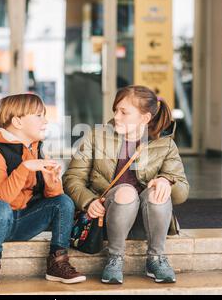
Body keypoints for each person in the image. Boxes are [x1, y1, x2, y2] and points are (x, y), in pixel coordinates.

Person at [63, 85, 189, 284]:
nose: (117, 116)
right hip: (107, 220)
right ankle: (115, 259)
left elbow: (182, 191)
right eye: (116, 110)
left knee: (158, 191)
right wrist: (89, 201)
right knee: (126, 192)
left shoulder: (165, 144)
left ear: (145, 118)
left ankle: (156, 259)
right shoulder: (97, 136)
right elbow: (72, 177)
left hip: (148, 223)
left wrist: (167, 181)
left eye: (124, 112)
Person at [0, 93, 86, 292]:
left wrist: (51, 182)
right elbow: (3, 197)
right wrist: (25, 167)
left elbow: (55, 199)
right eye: (38, 116)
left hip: (21, 221)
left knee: (64, 202)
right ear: (18, 121)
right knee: (1, 207)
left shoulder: (34, 148)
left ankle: (57, 262)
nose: (45, 121)